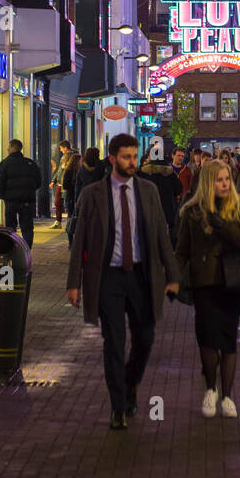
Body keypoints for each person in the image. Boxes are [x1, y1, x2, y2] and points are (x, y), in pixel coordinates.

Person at [66, 133, 180, 430]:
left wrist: (173, 275)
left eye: (134, 156)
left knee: (145, 339)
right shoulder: (93, 193)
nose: (132, 162)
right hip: (109, 278)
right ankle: (118, 407)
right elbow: (80, 240)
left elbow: (161, 235)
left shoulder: (148, 190)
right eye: (126, 157)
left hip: (142, 277)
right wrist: (73, 281)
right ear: (112, 158)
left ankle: (130, 384)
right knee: (113, 342)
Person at [176, 159, 240, 418]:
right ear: (209, 182)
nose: (224, 184)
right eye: (219, 179)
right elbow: (182, 250)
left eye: (227, 179)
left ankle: (227, 396)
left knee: (229, 339)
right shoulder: (192, 211)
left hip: (233, 282)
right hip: (204, 282)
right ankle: (211, 388)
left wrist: (222, 225)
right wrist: (173, 279)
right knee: (208, 338)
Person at [0, 140, 41, 251]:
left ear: (11, 148)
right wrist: (30, 191)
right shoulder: (30, 163)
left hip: (11, 201)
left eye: (8, 147)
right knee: (27, 228)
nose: (7, 149)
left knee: (10, 227)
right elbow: (38, 181)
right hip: (27, 201)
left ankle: (12, 251)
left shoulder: (5, 164)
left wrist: (2, 196)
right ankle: (26, 251)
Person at [139, 146, 182, 244]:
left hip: (147, 211)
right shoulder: (169, 172)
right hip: (166, 211)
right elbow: (178, 189)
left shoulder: (142, 172)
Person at [67, 147, 108, 244]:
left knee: (82, 218)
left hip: (84, 195)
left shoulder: (82, 168)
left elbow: (78, 185)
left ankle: (79, 240)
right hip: (98, 195)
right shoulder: (100, 166)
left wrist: (76, 200)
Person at [50, 139, 73, 229]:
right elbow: (60, 170)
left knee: (66, 203)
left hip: (65, 183)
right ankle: (59, 221)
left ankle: (68, 222)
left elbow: (61, 170)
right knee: (58, 202)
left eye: (61, 148)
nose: (60, 150)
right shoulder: (64, 157)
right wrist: (54, 181)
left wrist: (54, 180)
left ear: (65, 148)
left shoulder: (71, 157)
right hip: (60, 183)